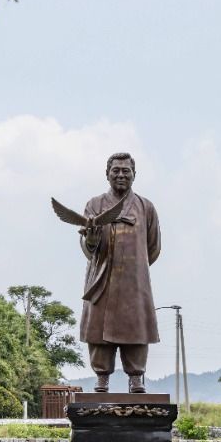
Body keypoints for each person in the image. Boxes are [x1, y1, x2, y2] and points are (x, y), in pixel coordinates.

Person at [78, 152, 161, 393]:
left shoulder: (146, 207)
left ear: (134, 174)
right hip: (102, 278)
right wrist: (92, 241)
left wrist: (135, 267)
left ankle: (136, 377)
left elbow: (153, 247)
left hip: (134, 282)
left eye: (126, 170)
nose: (121, 175)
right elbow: (86, 246)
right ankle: (102, 377)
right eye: (116, 170)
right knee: (98, 329)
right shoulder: (95, 205)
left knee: (136, 327)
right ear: (107, 174)